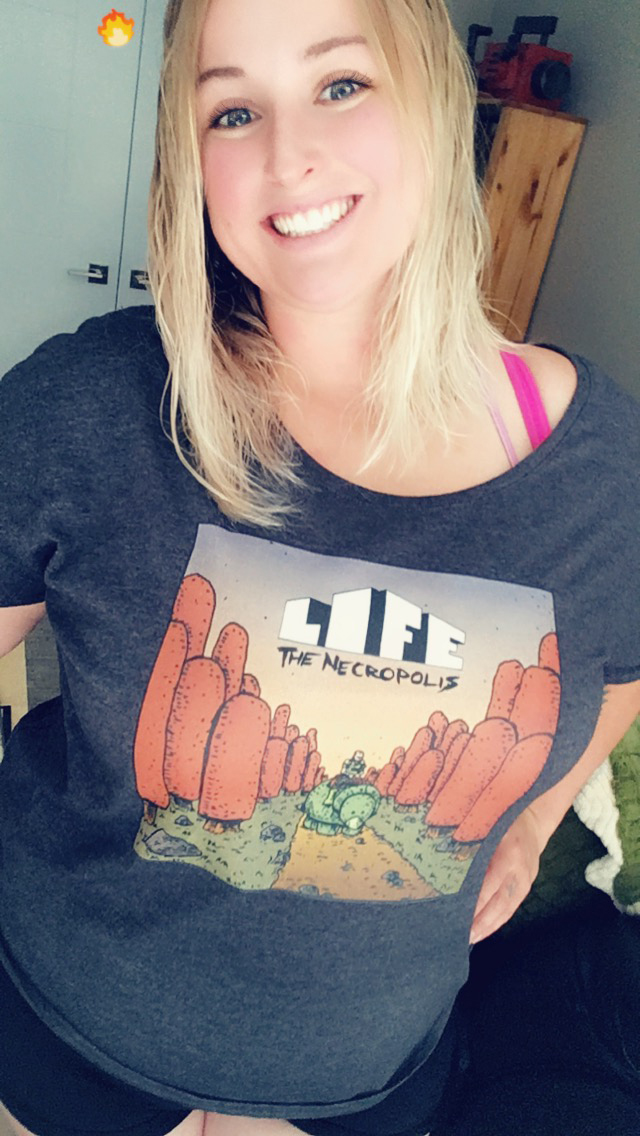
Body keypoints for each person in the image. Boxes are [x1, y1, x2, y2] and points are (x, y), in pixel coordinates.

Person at [1, 0, 639, 1134]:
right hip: (63, 1027)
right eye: (232, 111)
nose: (287, 156)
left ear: (431, 103)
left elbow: (620, 667)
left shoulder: (606, 469)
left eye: (341, 84)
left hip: (374, 1070)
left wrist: (537, 819)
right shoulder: (84, 403)